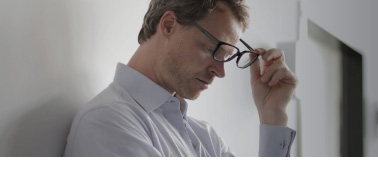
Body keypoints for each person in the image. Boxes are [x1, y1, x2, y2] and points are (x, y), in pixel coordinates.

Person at [64, 0, 298, 156]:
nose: (220, 71)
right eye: (210, 49)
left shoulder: (207, 138)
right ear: (168, 25)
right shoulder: (108, 122)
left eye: (225, 57)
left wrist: (273, 116)